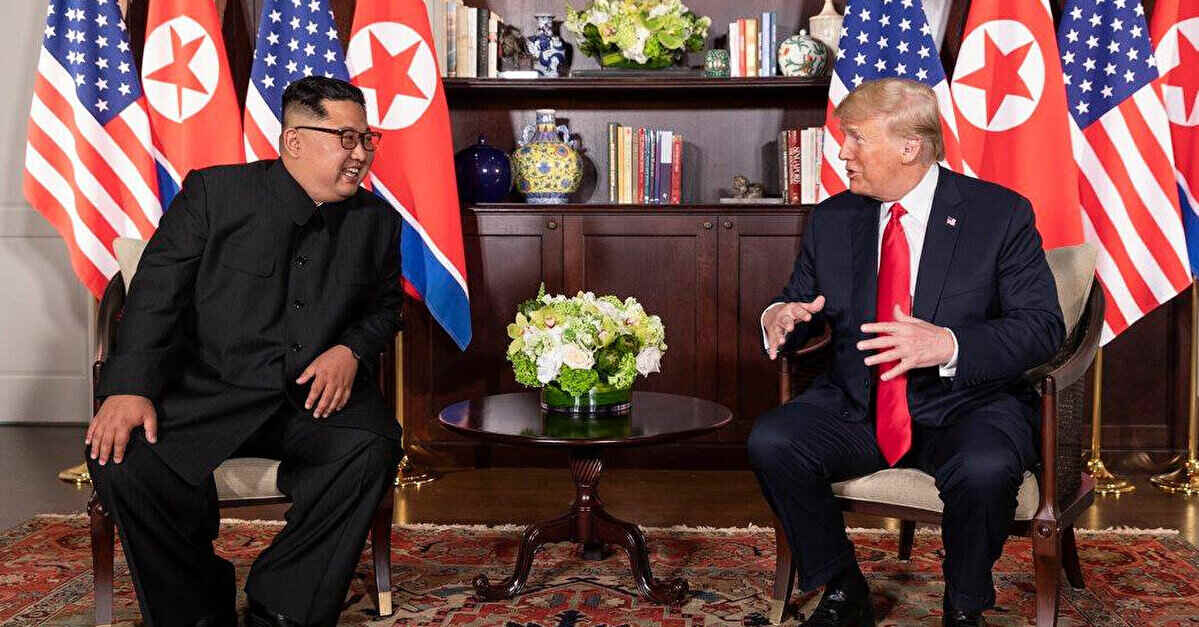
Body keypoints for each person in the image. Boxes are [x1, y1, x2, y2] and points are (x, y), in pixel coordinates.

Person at [85, 76, 403, 627]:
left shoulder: (376, 221)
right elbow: (155, 295)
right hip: (208, 393)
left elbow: (386, 308)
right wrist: (128, 388)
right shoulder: (214, 195)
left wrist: (351, 350)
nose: (360, 154)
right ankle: (195, 607)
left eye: (366, 139)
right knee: (123, 458)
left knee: (370, 445)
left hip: (310, 401)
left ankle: (283, 603)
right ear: (294, 140)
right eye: (346, 139)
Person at [748, 78, 1065, 627]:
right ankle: (843, 587)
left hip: (968, 403)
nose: (843, 153)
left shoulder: (999, 215)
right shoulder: (833, 218)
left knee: (986, 468)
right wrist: (781, 316)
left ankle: (963, 604)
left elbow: (1042, 328)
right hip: (859, 403)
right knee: (773, 440)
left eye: (856, 138)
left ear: (909, 147)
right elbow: (802, 303)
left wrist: (947, 343)